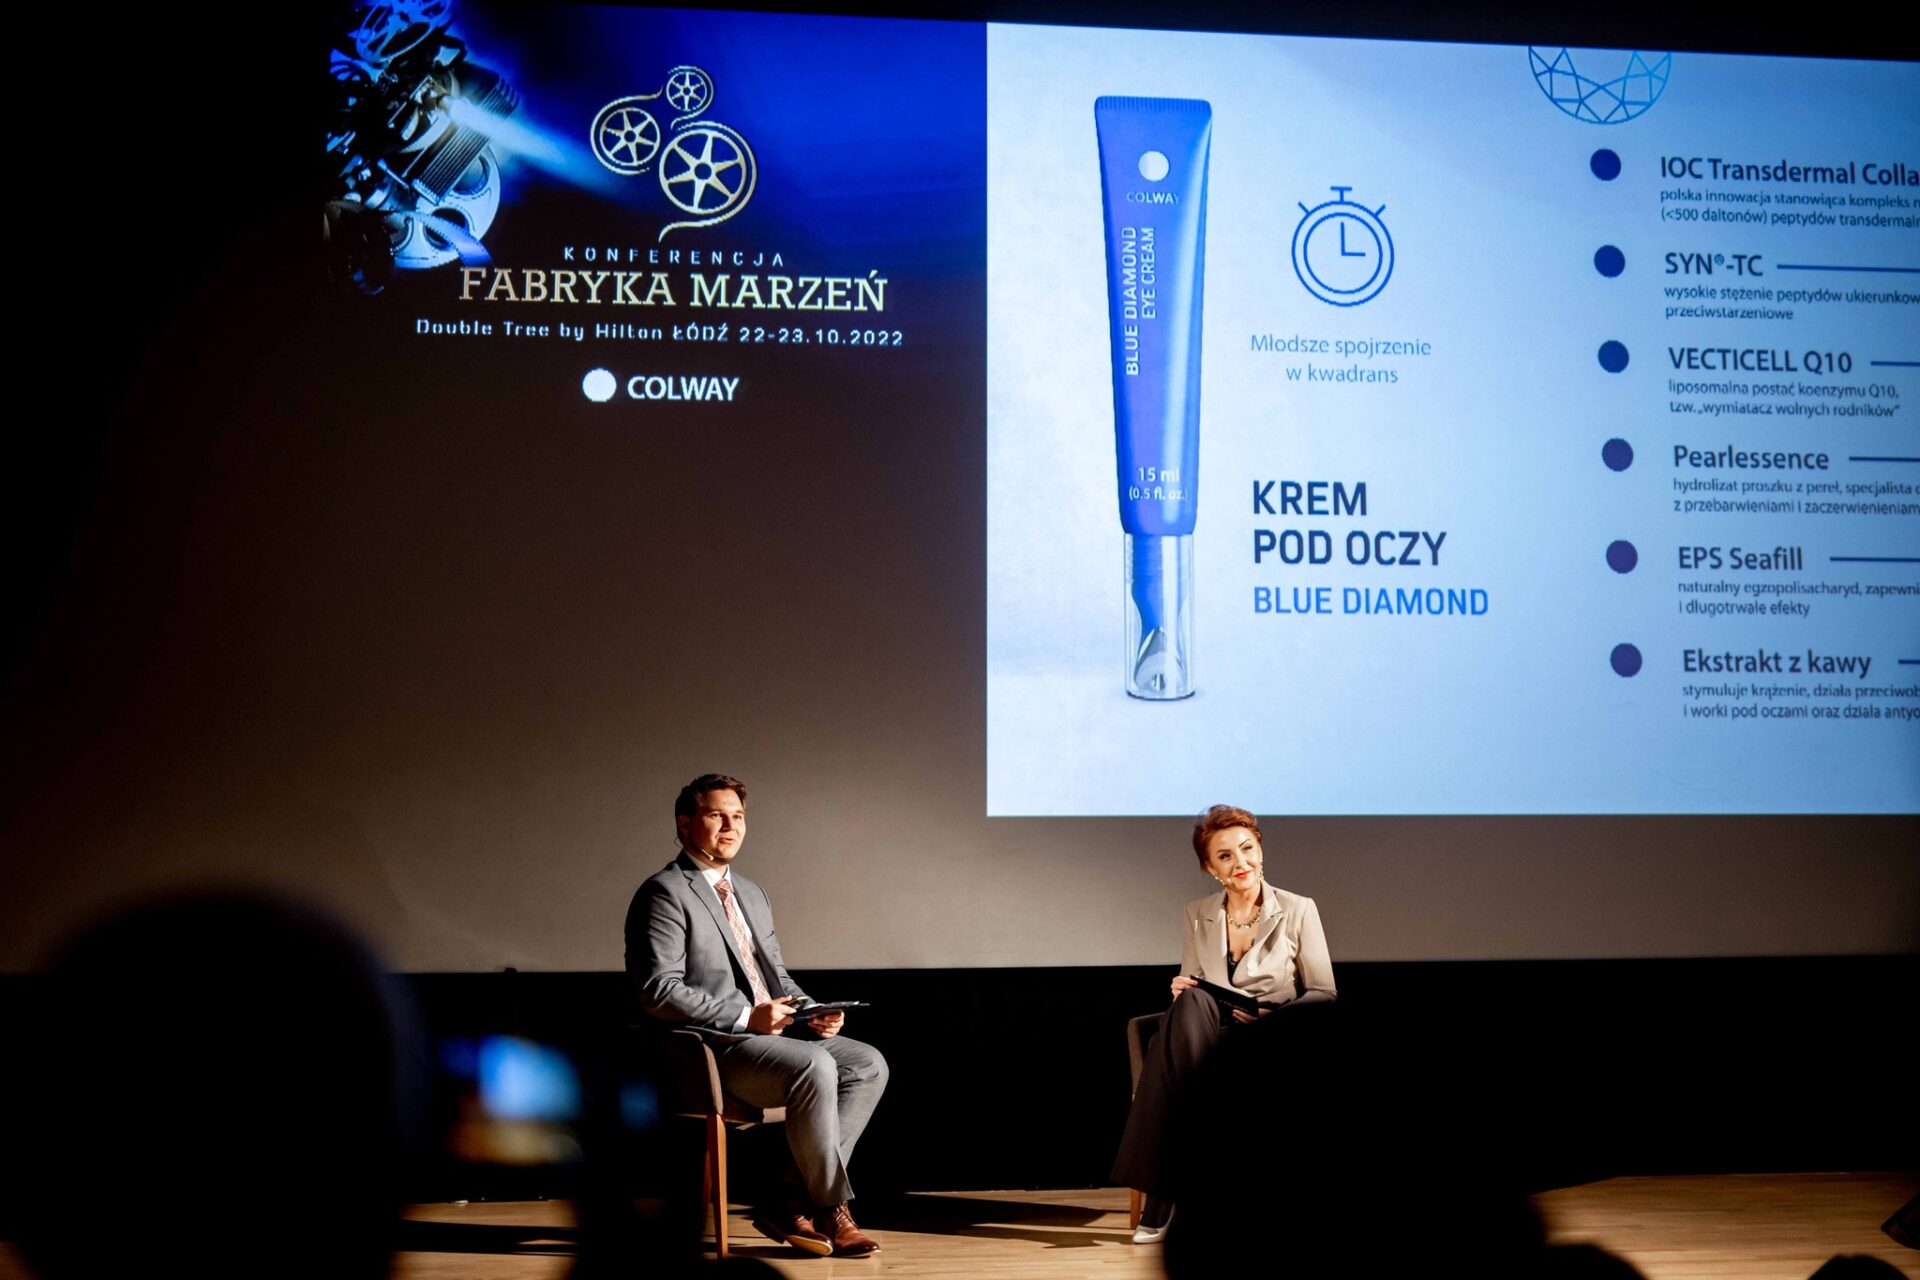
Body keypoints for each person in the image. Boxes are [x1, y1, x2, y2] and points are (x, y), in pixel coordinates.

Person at [626, 773, 888, 1259]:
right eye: (716, 815)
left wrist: (811, 1013)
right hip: (713, 1050)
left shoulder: (751, 892)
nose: (731, 827)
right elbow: (658, 991)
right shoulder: (664, 892)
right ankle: (830, 1207)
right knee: (816, 1064)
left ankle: (789, 1200)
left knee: (867, 1063)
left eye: (739, 817)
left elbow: (775, 977)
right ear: (684, 825)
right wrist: (747, 1018)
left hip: (774, 1041)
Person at [1111, 804, 1336, 1244]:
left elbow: (1324, 992)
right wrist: (1182, 989)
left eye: (1247, 849)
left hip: (1269, 1033)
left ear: (1261, 851)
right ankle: (1197, 1172)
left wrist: (1272, 1016)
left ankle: (1165, 1191)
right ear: (1211, 868)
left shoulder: (1298, 909)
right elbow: (1195, 984)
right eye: (1225, 856)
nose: (1241, 862)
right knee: (1191, 1000)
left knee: (1166, 1050)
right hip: (1209, 1031)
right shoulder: (1197, 913)